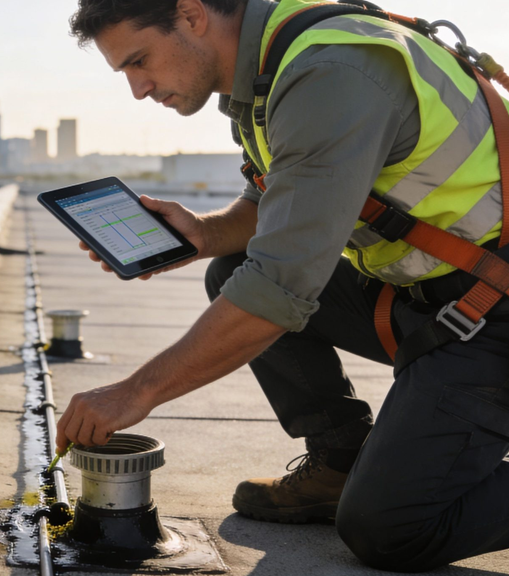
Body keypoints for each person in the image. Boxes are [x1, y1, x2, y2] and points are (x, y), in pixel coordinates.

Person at [54, 0, 509, 570]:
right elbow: (275, 203)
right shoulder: (271, 65)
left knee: (391, 529)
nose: (139, 90)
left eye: (140, 61)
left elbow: (279, 285)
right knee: (229, 274)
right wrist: (202, 232)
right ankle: (340, 463)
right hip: (437, 294)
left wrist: (135, 392)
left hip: (492, 312)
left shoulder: (331, 71)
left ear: (192, 15)